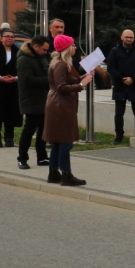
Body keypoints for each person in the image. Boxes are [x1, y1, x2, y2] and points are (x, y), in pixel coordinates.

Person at [44, 34, 92, 186]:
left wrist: (83, 77)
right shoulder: (60, 64)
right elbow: (61, 86)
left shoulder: (62, 63)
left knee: (58, 141)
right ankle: (66, 174)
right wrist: (82, 85)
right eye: (72, 45)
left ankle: (53, 172)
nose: (75, 47)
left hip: (61, 104)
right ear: (66, 48)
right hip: (60, 105)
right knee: (65, 142)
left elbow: (67, 81)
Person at [105, 29, 135, 144]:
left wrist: (133, 78)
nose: (129, 39)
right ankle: (119, 136)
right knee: (119, 113)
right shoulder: (115, 51)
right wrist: (121, 78)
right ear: (122, 37)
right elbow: (110, 67)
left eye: (131, 37)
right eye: (127, 37)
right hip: (120, 85)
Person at [16, 35, 51, 169]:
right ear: (35, 46)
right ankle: (22, 158)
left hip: (44, 99)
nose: (46, 52)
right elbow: (28, 80)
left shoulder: (41, 57)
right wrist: (49, 80)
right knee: (29, 130)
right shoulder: (24, 59)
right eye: (44, 49)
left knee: (43, 130)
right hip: (31, 100)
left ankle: (42, 157)